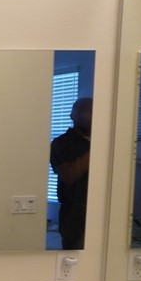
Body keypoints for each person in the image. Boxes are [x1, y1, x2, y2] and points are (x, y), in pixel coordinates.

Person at [50, 97, 92, 250]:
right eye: (87, 111)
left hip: (105, 212)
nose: (93, 116)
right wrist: (97, 147)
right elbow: (68, 176)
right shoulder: (61, 143)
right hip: (75, 213)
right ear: (73, 116)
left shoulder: (112, 142)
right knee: (74, 261)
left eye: (95, 112)